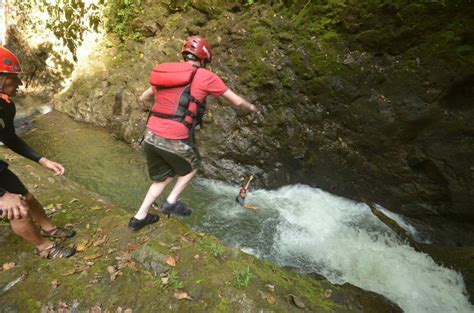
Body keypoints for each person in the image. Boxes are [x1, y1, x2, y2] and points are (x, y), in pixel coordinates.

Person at [129, 35, 257, 230]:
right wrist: (252, 108)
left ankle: (139, 218)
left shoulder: (168, 73)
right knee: (192, 166)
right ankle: (171, 201)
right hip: (173, 136)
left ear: (185, 55)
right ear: (204, 59)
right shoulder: (206, 76)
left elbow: (143, 97)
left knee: (164, 177)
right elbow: (237, 102)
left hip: (150, 135)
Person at [0, 47, 75, 259]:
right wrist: (3, 195)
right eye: (14, 78)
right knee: (17, 208)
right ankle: (45, 247)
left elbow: (10, 138)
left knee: (26, 196)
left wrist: (42, 160)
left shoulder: (5, 105)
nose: (20, 83)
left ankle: (48, 228)